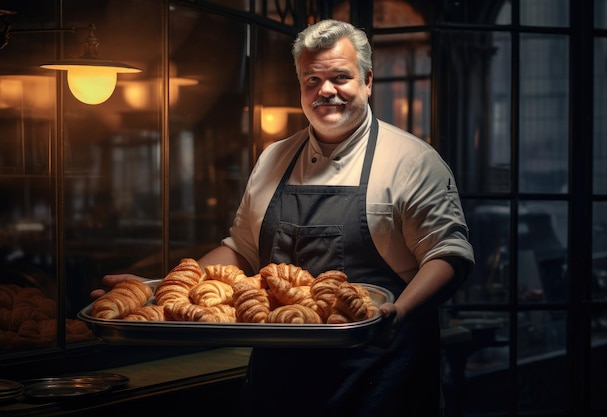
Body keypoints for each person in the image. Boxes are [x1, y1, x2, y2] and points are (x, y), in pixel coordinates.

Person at [95, 19, 474, 417]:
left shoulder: (411, 161)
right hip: (279, 384)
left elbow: (447, 255)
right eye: (312, 80)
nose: (325, 90)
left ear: (367, 81)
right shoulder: (273, 158)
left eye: (340, 77)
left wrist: (397, 312)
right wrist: (160, 290)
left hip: (378, 378)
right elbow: (240, 251)